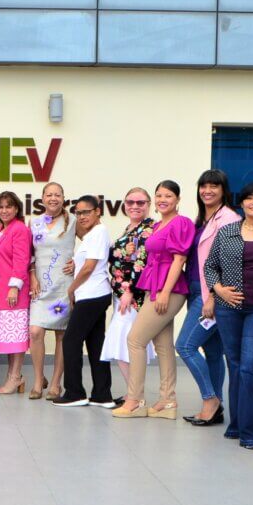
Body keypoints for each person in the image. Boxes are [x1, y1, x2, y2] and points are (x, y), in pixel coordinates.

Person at [203, 183, 253, 448]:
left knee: (250, 367)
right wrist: (218, 290)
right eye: (249, 198)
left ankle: (251, 432)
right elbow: (209, 266)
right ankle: (236, 424)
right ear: (242, 202)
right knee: (235, 365)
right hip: (229, 309)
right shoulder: (227, 232)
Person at [113, 180, 194, 419]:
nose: (162, 199)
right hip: (153, 288)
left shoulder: (181, 222)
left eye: (168, 195)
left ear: (178, 199)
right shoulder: (158, 224)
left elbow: (179, 260)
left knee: (135, 340)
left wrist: (165, 293)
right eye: (159, 195)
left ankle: (135, 400)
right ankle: (168, 401)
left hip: (169, 289)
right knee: (163, 346)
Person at [176, 169, 239, 423]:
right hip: (194, 290)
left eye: (214, 186)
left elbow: (229, 263)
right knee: (212, 351)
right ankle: (216, 407)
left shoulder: (229, 219)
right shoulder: (203, 218)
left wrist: (212, 297)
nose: (208, 191)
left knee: (185, 346)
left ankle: (210, 398)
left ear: (224, 190)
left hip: (209, 294)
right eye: (204, 186)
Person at [52, 195, 113, 407]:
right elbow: (84, 263)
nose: (82, 216)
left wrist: (71, 289)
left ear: (98, 211)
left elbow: (89, 267)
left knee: (70, 340)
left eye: (86, 212)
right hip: (95, 294)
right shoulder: (92, 235)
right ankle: (102, 394)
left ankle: (75, 392)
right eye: (78, 213)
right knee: (95, 344)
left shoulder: (98, 232)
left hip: (91, 295)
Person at [100, 187, 156, 394]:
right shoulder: (131, 228)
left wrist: (130, 292)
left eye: (140, 202)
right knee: (124, 346)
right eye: (130, 202)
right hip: (122, 295)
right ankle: (133, 393)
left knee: (122, 343)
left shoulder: (147, 229)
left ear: (149, 205)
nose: (134, 206)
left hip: (132, 297)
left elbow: (142, 263)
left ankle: (135, 395)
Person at [27, 183, 76, 400]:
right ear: (43, 198)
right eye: (49, 194)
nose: (53, 198)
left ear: (64, 198)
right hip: (40, 286)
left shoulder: (73, 221)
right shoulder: (34, 222)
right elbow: (28, 253)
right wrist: (31, 276)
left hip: (63, 285)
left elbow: (93, 243)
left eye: (58, 194)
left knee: (61, 335)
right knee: (35, 332)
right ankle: (39, 380)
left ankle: (56, 383)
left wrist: (79, 261)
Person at [0, 191, 32, 394]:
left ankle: (15, 376)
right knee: (8, 338)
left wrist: (14, 287)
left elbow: (22, 260)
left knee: (16, 337)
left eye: (9, 206)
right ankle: (13, 376)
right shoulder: (0, 231)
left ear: (17, 208)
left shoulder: (19, 229)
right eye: (1, 207)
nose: (4, 210)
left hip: (12, 291)